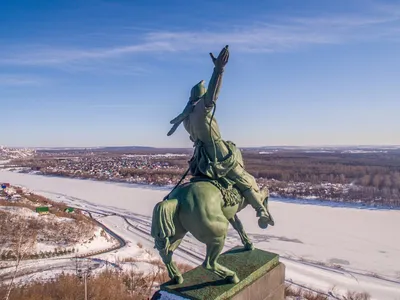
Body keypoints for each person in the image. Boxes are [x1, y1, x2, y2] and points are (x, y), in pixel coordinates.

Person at [167, 45, 274, 228]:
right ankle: (261, 211)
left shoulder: (186, 117)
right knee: (244, 179)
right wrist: (219, 70)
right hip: (216, 152)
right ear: (201, 98)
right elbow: (213, 93)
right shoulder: (201, 109)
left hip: (201, 157)